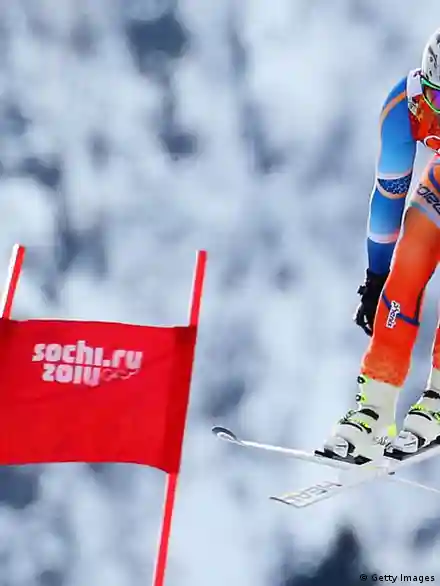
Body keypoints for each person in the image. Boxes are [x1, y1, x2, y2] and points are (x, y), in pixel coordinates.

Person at [324, 27, 440, 463]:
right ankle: (375, 407)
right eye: (438, 98)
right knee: (409, 259)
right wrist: (376, 279)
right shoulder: (405, 107)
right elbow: (388, 200)